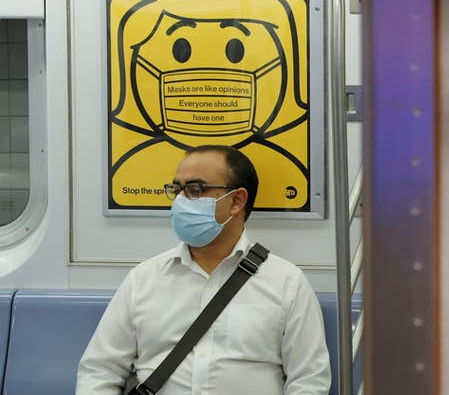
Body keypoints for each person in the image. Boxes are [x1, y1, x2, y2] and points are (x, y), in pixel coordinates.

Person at [76, 144, 331, 394]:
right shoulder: (143, 279)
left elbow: (309, 381)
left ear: (236, 201)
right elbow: (99, 371)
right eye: (177, 189)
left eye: (195, 190)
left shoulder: (286, 282)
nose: (179, 200)